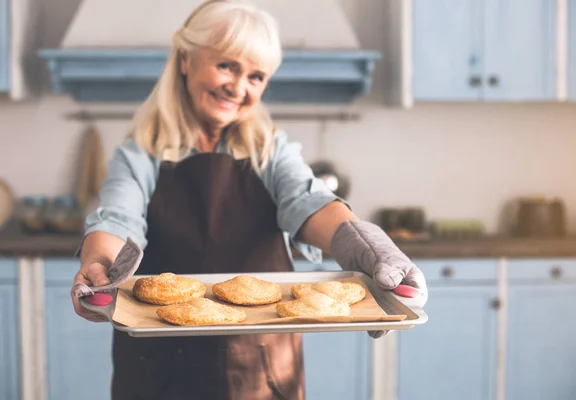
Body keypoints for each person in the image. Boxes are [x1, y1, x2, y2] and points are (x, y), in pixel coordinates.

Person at [70, 1, 427, 399]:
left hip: (261, 368)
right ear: (185, 59)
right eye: (227, 66)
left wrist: (368, 247)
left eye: (255, 76)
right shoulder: (139, 155)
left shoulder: (271, 151)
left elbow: (309, 201)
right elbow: (117, 217)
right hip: (159, 366)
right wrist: (99, 263)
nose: (239, 87)